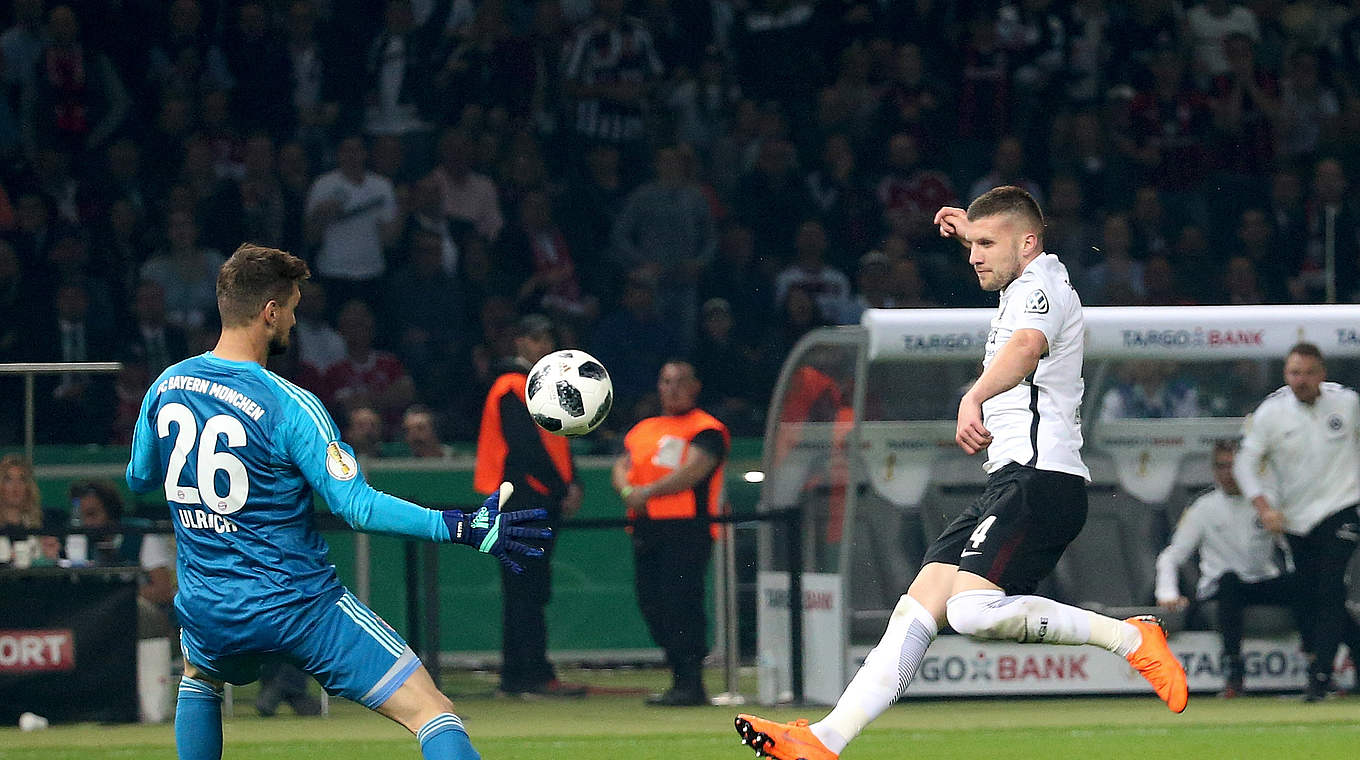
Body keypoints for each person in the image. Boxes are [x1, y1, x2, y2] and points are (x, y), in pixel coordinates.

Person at [735, 187, 1187, 760]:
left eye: (986, 244)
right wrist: (969, 226)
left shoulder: (1042, 285)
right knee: (921, 602)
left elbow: (1026, 346)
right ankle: (826, 740)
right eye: (971, 244)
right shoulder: (1023, 277)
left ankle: (1130, 636)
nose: (974, 255)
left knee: (969, 609)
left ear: (1028, 243)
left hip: (1041, 478)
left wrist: (973, 397)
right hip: (1013, 479)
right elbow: (1004, 264)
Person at [125, 243, 552, 760]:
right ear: (270, 312)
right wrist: (460, 526)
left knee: (199, 675)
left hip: (210, 607)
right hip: (297, 607)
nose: (294, 321)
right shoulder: (291, 404)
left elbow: (139, 477)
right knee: (432, 711)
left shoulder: (166, 386)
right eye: (294, 309)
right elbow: (357, 507)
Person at [1233, 342, 1360, 701]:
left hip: (1343, 507)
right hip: (1294, 519)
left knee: (1331, 589)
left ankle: (1320, 676)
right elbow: (1245, 463)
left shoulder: (1348, 403)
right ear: (1285, 375)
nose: (1300, 380)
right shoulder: (1271, 413)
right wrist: (1263, 507)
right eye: (1294, 373)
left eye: (1307, 373)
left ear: (1322, 374)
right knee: (1308, 594)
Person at [474, 314, 585, 698]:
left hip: (532, 496)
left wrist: (571, 483)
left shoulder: (536, 386)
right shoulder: (511, 386)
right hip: (522, 498)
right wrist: (563, 487)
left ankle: (524, 672)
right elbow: (526, 449)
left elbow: (560, 441)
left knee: (529, 587)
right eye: (536, 339)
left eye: (547, 340)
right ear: (519, 342)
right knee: (525, 588)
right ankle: (527, 673)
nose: (544, 347)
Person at [612, 360, 728, 706]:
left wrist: (647, 492)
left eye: (680, 381)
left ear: (695, 386)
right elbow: (621, 465)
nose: (672, 388)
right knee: (651, 603)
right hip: (647, 527)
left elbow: (695, 469)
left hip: (686, 528)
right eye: (665, 381)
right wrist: (628, 493)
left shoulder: (706, 428)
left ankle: (690, 681)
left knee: (682, 603)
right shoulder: (643, 429)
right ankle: (681, 673)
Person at [1155, 440, 1301, 697]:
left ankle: (1321, 666)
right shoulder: (1203, 508)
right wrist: (1167, 591)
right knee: (1230, 581)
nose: (1228, 473)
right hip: (1220, 589)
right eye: (1221, 467)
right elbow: (1172, 556)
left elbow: (1292, 549)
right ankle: (1234, 674)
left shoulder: (1266, 504)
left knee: (1305, 583)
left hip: (1261, 582)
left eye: (1234, 467)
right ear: (1214, 471)